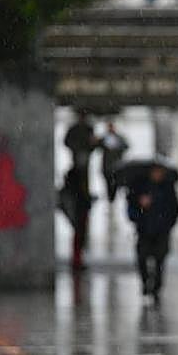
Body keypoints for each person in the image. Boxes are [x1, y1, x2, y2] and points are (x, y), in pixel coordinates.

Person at [125, 161, 178, 305]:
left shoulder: (167, 188)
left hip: (162, 231)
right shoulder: (139, 187)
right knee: (142, 257)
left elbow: (175, 209)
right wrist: (140, 207)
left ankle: (156, 288)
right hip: (144, 230)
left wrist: (168, 223)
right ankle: (145, 283)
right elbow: (131, 208)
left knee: (160, 259)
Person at [62, 110, 98, 269]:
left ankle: (78, 259)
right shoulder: (75, 175)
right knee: (79, 232)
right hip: (79, 205)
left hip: (80, 204)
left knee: (80, 233)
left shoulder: (79, 175)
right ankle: (77, 260)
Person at [99, 121, 129, 204]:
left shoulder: (119, 138)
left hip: (116, 165)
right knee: (108, 182)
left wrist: (118, 149)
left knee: (115, 182)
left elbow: (126, 146)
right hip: (106, 165)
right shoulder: (104, 138)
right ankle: (110, 199)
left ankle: (113, 199)